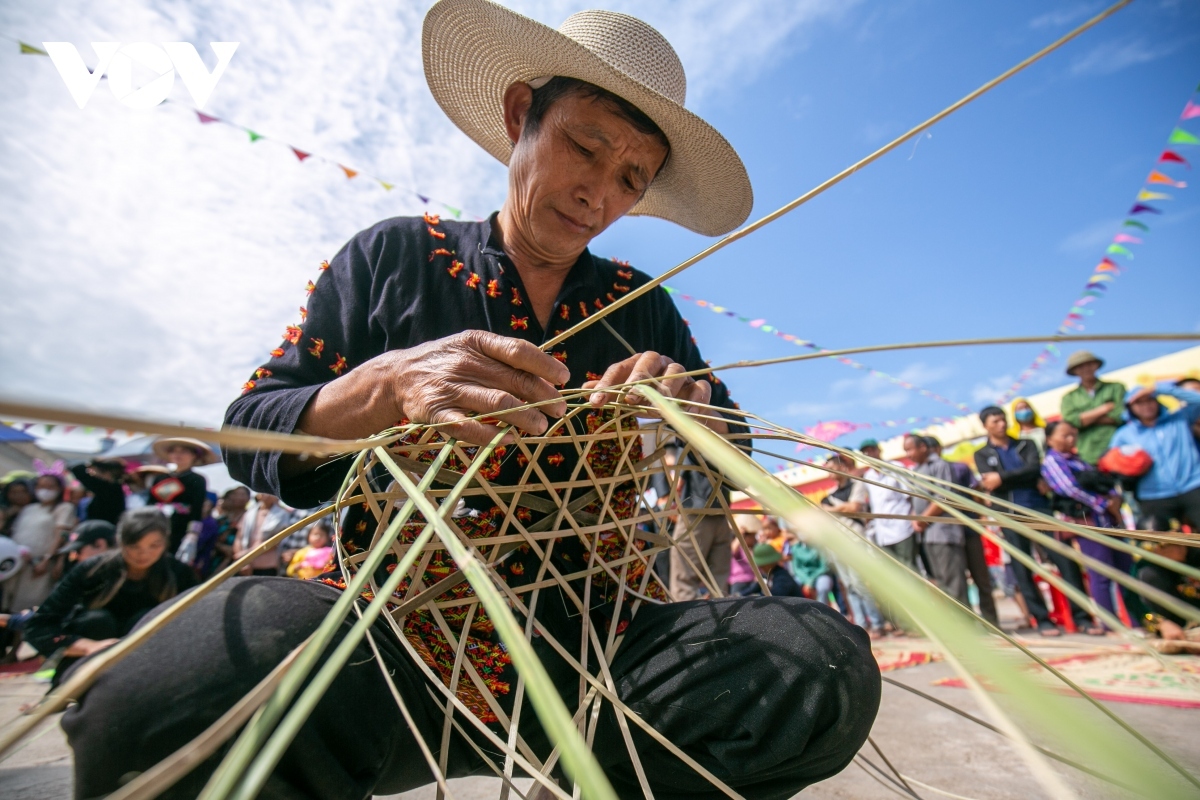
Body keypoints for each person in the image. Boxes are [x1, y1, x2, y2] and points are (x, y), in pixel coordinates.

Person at [64, 6, 879, 798]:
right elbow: (249, 434)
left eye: (630, 177)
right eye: (584, 146)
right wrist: (385, 387)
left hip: (607, 654)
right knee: (163, 696)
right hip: (391, 642)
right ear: (522, 112)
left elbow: (731, 441)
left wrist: (689, 412)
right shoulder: (394, 256)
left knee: (818, 667)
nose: (598, 190)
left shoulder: (641, 306)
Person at [25, 509, 196, 685]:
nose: (144, 554)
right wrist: (86, 646)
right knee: (98, 621)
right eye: (134, 546)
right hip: (89, 667)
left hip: (149, 668)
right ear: (120, 542)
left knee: (146, 619)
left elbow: (196, 627)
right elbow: (38, 627)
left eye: (154, 546)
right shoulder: (92, 570)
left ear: (166, 543)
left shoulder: (179, 574)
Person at [974, 406, 1091, 635]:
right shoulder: (981, 454)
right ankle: (1043, 620)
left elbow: (1033, 469)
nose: (1001, 424)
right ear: (986, 425)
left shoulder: (1025, 445)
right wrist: (1018, 476)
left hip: (1039, 509)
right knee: (1022, 567)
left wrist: (1003, 477)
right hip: (1007, 515)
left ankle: (1082, 617)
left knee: (1064, 559)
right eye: (995, 421)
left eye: (1002, 419)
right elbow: (991, 482)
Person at [1041, 420, 1125, 633]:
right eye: (1064, 435)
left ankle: (1137, 619)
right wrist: (1104, 503)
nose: (1070, 439)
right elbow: (1069, 488)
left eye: (1072, 435)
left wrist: (1114, 500)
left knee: (1125, 569)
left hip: (1109, 519)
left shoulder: (1080, 460)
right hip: (1088, 521)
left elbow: (1104, 483)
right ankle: (1110, 624)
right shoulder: (1052, 461)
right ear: (1050, 440)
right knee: (1101, 573)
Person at [925, 436, 997, 626]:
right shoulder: (923, 472)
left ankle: (992, 622)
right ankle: (968, 625)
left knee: (980, 577)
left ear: (938, 448)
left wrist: (981, 516)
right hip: (948, 532)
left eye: (932, 448)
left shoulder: (960, 468)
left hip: (968, 528)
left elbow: (975, 493)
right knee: (955, 582)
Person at [1110, 382, 1200, 531]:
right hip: (1153, 496)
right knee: (1166, 547)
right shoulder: (1123, 435)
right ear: (1130, 407)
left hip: (1193, 486)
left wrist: (1159, 388)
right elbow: (1112, 464)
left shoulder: (1179, 419)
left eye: (1150, 400)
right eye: (1139, 402)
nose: (1146, 405)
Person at [820, 453, 883, 635]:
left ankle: (877, 623)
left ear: (843, 467)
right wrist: (840, 509)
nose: (830, 472)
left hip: (855, 540)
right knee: (848, 585)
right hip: (837, 544)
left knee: (859, 583)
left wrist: (832, 509)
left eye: (832, 468)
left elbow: (854, 508)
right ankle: (861, 625)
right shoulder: (829, 495)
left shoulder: (857, 484)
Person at [903, 434, 968, 606]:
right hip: (927, 535)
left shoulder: (939, 465)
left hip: (943, 532)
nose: (908, 454)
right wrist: (915, 519)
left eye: (910, 449)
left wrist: (923, 519)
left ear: (922, 447)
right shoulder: (916, 471)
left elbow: (944, 498)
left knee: (953, 581)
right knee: (941, 582)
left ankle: (968, 625)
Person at [666, 445, 733, 602]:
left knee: (684, 576)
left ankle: (687, 621)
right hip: (721, 505)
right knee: (719, 579)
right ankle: (723, 616)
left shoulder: (692, 426)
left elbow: (687, 443)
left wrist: (679, 478)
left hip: (696, 505)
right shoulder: (731, 422)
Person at [3, 473, 76, 613]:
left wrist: (47, 560)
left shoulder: (64, 508)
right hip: (17, 563)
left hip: (39, 566)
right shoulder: (29, 508)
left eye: (50, 486)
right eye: (41, 486)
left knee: (27, 608)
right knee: (8, 605)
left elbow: (61, 536)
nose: (45, 490)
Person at [147, 437, 215, 554]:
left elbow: (197, 508)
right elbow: (149, 503)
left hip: (180, 525)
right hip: (156, 523)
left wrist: (192, 533)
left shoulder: (197, 480)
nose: (178, 455)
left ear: (194, 456)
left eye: (184, 451)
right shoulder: (160, 477)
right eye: (174, 451)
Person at [1060, 351, 1126, 466]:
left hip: (1118, 448)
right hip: (1088, 455)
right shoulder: (1069, 398)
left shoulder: (1116, 388)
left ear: (1096, 365)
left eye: (1089, 364)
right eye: (1080, 366)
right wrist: (1104, 409)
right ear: (1074, 371)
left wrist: (1085, 418)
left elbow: (1121, 415)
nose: (1085, 369)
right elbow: (1071, 421)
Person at [1135, 540, 1200, 641]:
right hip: (1179, 629)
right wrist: (1161, 624)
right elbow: (1135, 604)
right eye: (1168, 545)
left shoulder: (1195, 554)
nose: (1179, 547)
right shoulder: (1147, 570)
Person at [234, 494, 299, 576]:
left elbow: (275, 542)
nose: (267, 495)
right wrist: (242, 560)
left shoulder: (282, 515)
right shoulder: (249, 513)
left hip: (267, 566)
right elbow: (239, 537)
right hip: (244, 565)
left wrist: (247, 554)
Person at [68, 458, 127, 526]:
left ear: (107, 473)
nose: (92, 475)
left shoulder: (108, 488)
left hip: (104, 530)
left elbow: (78, 470)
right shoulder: (115, 488)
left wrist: (91, 463)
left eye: (95, 472)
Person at [738, 543, 805, 597]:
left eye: (762, 564)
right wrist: (738, 595)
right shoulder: (767, 575)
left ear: (770, 562)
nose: (760, 566)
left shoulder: (782, 577)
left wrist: (755, 597)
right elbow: (753, 589)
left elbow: (774, 596)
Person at [728, 515, 759, 596]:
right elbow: (733, 551)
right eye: (752, 536)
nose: (753, 539)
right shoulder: (739, 548)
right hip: (739, 582)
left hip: (753, 582)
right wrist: (740, 535)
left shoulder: (753, 549)